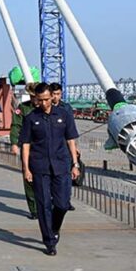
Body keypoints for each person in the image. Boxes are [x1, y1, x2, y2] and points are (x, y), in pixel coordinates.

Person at [20, 83, 80, 256]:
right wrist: (26, 169)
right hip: (39, 167)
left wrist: (75, 164)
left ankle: (55, 227)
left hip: (61, 165)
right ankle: (49, 241)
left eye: (46, 99)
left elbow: (70, 140)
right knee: (44, 204)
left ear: (52, 97)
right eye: (40, 100)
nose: (44, 103)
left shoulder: (63, 115)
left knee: (62, 204)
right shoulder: (31, 118)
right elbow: (25, 144)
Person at [10, 83, 40, 220]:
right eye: (32, 97)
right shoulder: (23, 108)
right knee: (29, 178)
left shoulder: (48, 108)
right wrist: (14, 143)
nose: (35, 100)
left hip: (45, 147)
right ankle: (34, 209)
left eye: (36, 97)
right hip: (29, 147)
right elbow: (16, 125)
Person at [50, 82, 78, 212]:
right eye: (54, 94)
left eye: (58, 94)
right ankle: (54, 199)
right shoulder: (46, 108)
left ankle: (66, 201)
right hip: (51, 146)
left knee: (66, 176)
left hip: (65, 146)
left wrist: (74, 148)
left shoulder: (66, 108)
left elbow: (71, 130)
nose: (56, 96)